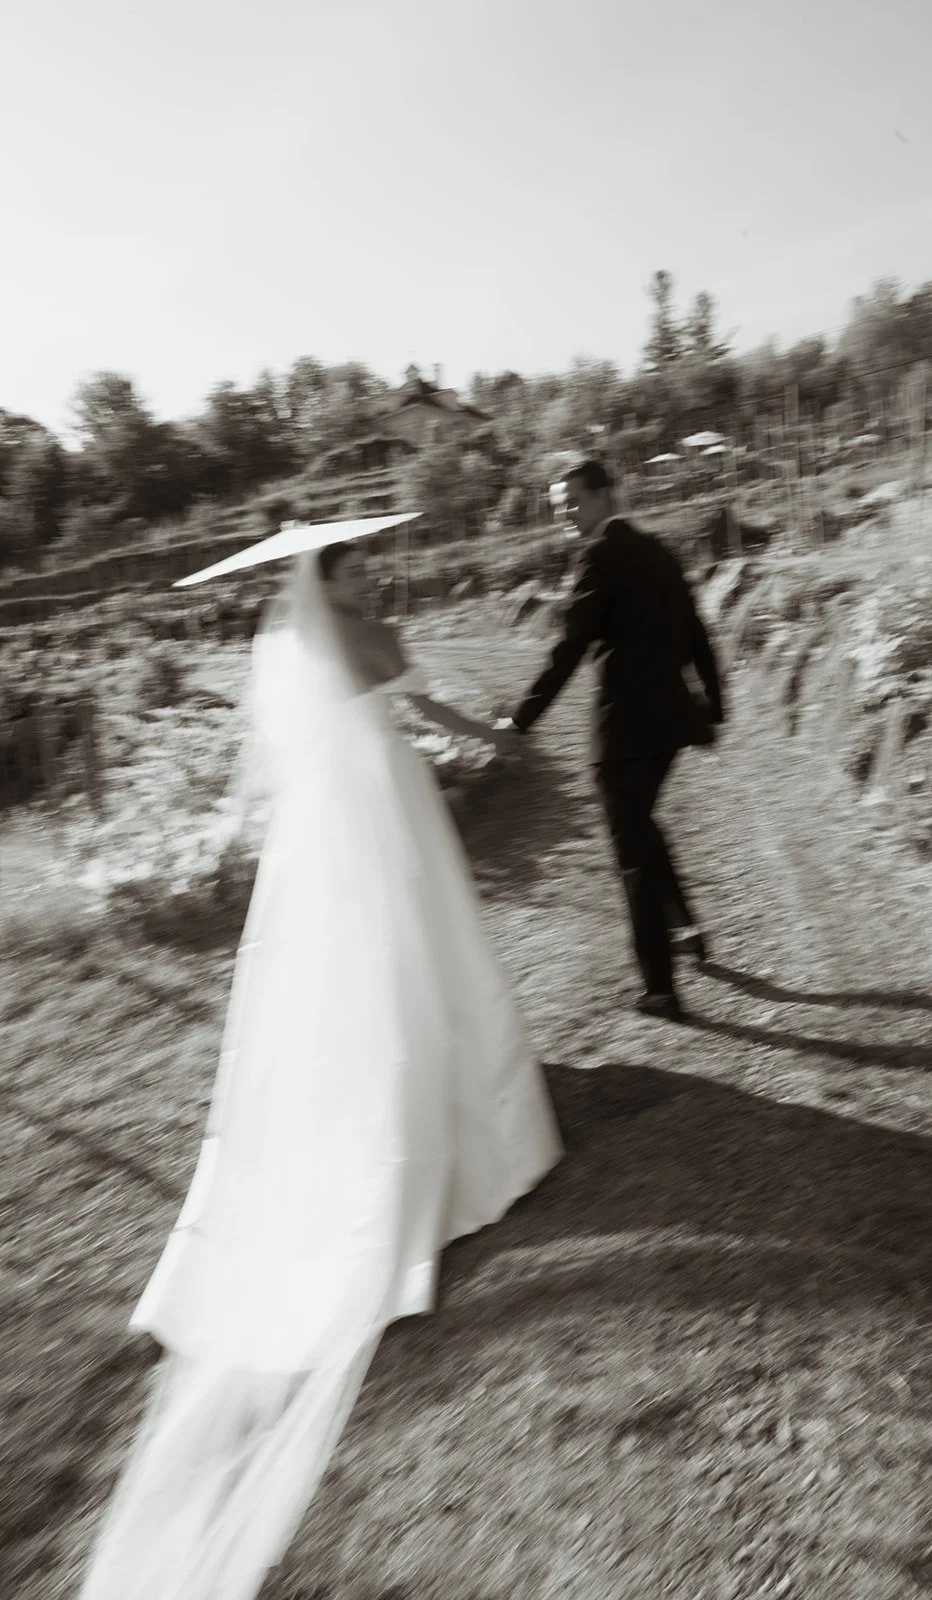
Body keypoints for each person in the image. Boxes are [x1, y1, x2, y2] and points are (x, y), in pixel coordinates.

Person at [80, 542, 562, 1600]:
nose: (375, 573)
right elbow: (427, 713)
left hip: (322, 830)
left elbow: (290, 751)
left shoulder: (283, 638)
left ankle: (389, 1077)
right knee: (419, 946)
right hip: (385, 812)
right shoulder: (363, 631)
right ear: (331, 575)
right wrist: (502, 739)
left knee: (355, 967)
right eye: (359, 566)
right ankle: (436, 1109)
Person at [497, 460, 725, 1022]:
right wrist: (714, 705)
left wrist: (521, 720)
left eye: (573, 502)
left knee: (631, 852)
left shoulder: (598, 556)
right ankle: (686, 929)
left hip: (625, 726)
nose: (565, 515)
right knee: (642, 824)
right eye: (558, 506)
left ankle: (660, 988)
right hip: (671, 721)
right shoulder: (660, 551)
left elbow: (569, 649)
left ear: (606, 496)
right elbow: (697, 633)